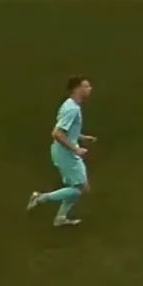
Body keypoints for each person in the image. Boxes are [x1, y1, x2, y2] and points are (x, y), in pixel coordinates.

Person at [25, 77, 96, 227]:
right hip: (66, 154)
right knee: (81, 189)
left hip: (64, 152)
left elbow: (66, 129)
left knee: (74, 188)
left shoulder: (69, 104)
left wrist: (82, 137)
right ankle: (40, 198)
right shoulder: (73, 109)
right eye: (86, 86)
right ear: (77, 89)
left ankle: (60, 218)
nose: (90, 89)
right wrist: (76, 149)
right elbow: (57, 133)